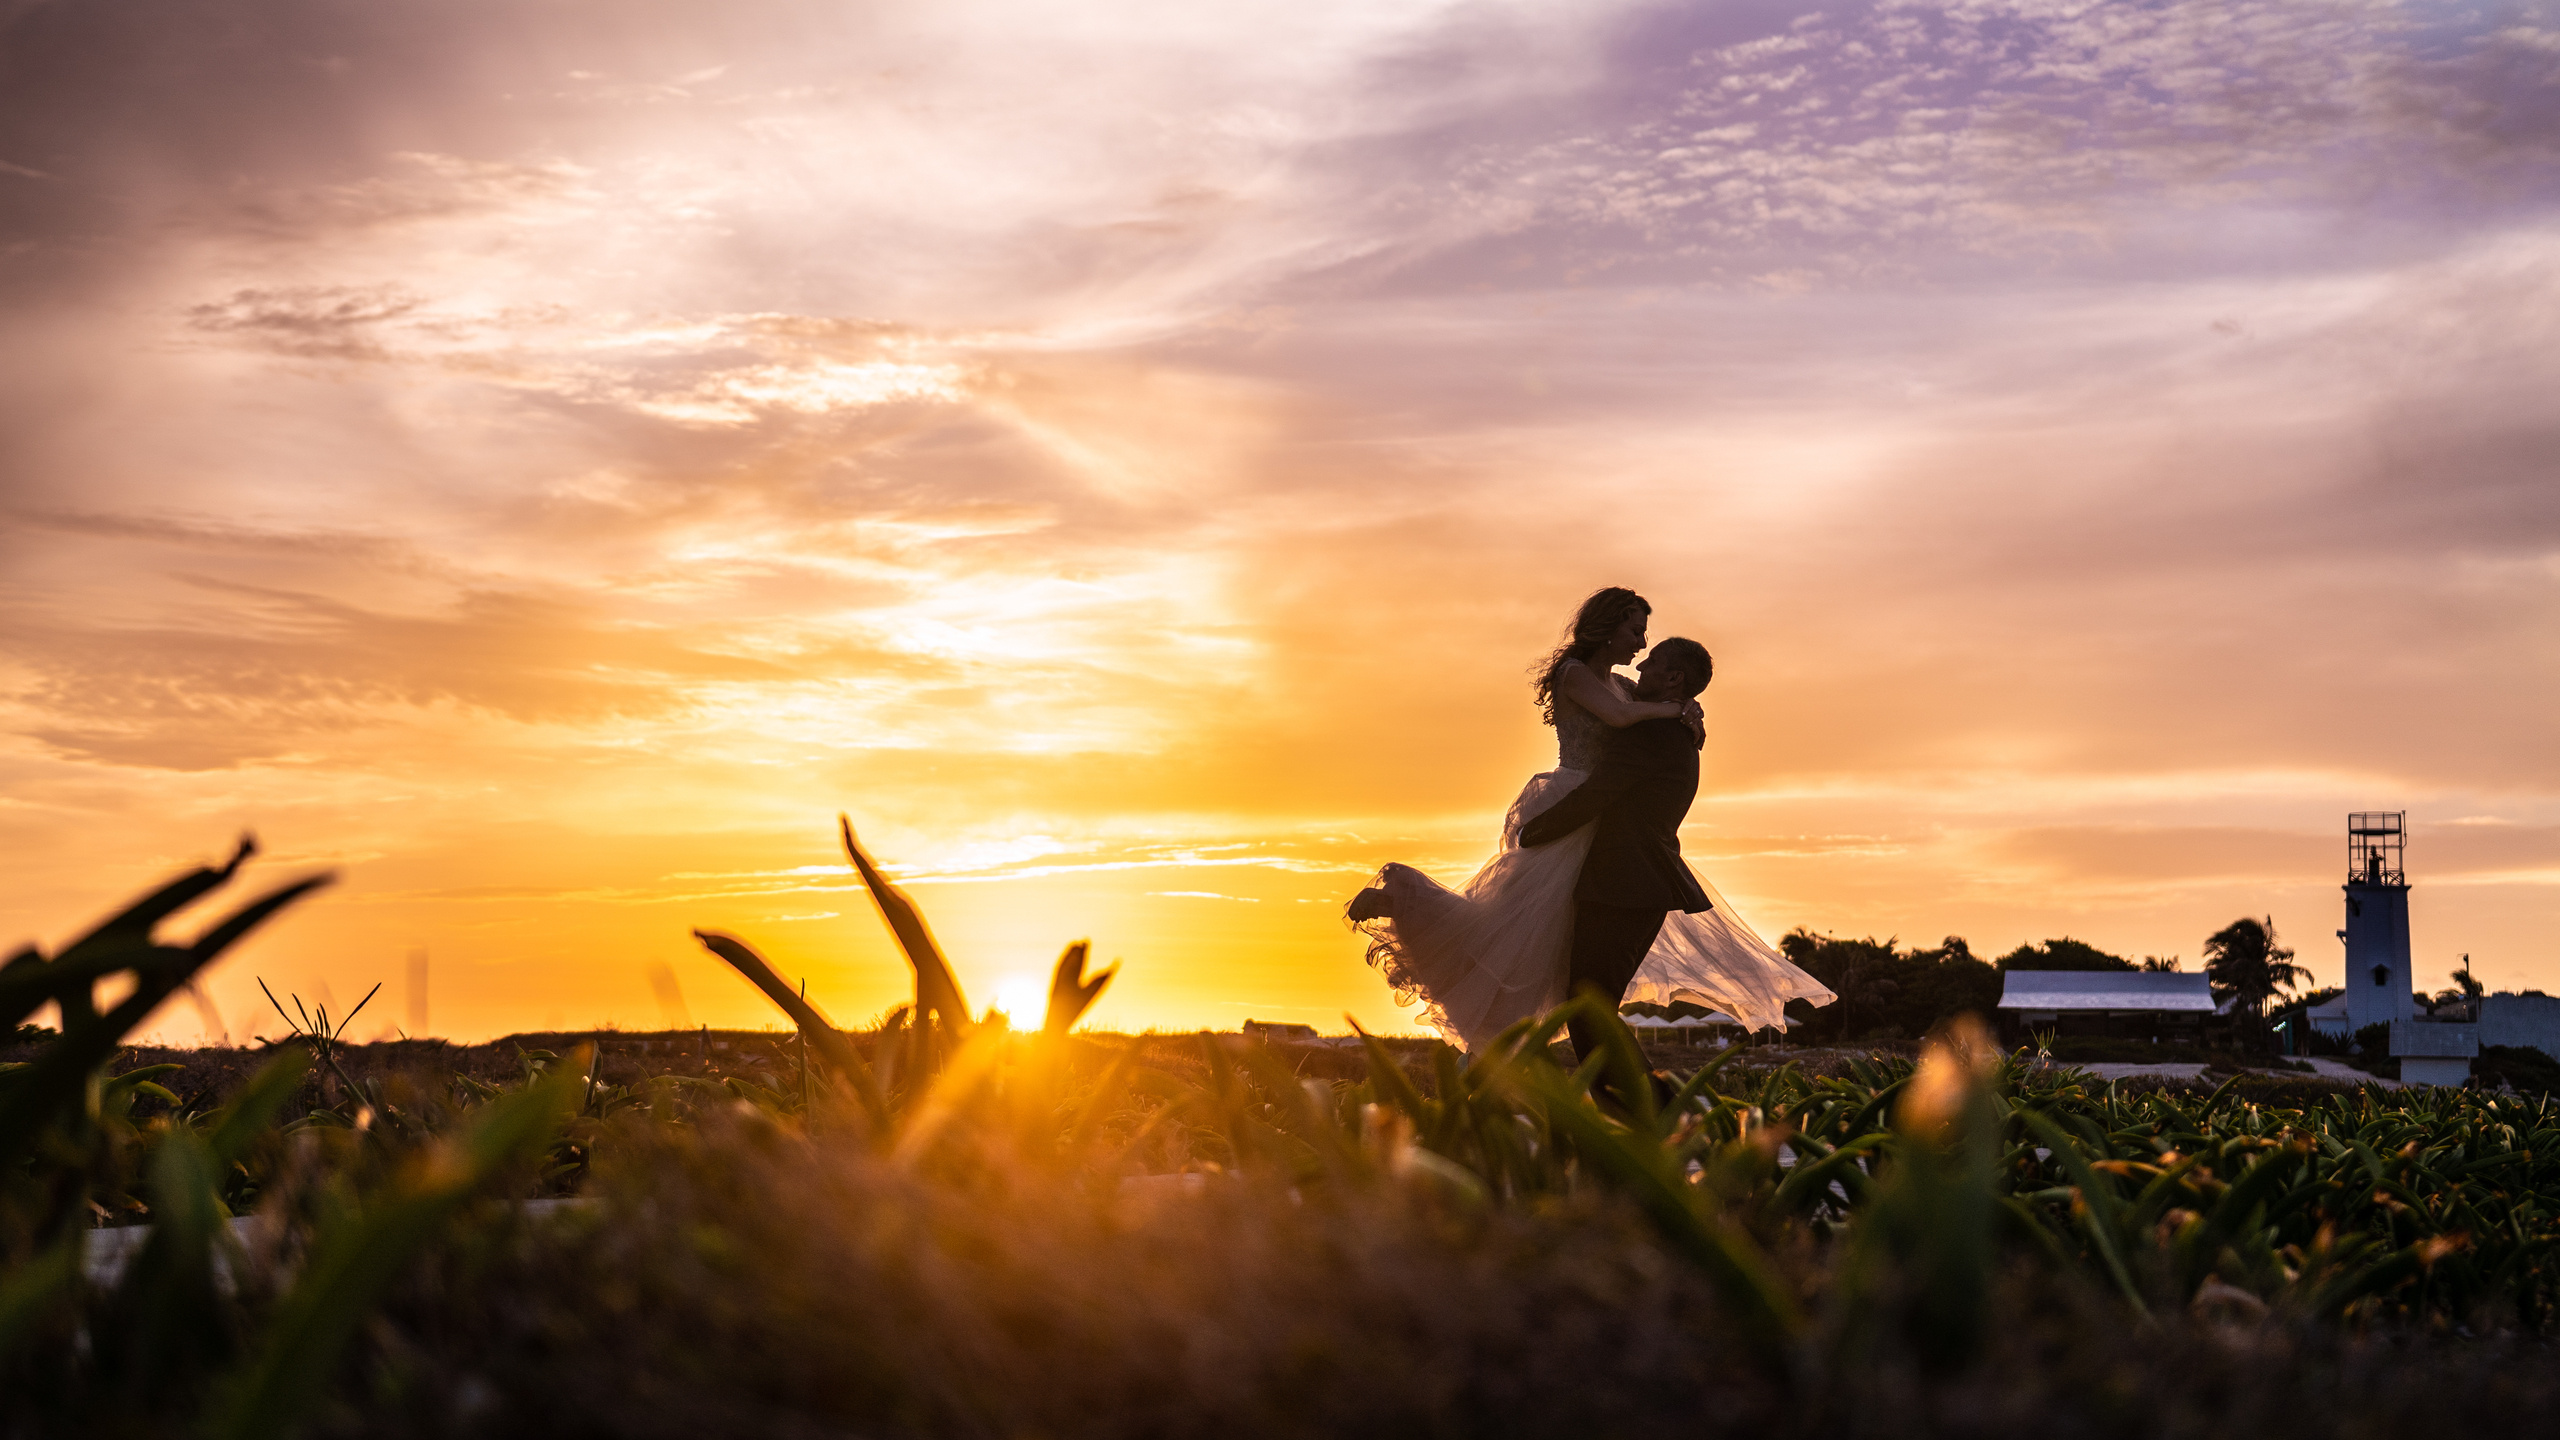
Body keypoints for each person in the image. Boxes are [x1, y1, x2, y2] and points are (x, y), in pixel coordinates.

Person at [1345, 588, 1833, 1054]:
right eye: (1636, 630)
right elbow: (1621, 719)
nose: (1641, 644)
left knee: (1542, 940)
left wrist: (1686, 709)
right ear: (1607, 628)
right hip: (1573, 799)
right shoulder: (1576, 674)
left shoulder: (1621, 683)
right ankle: (1402, 901)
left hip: (1602, 814)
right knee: (1506, 924)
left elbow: (1641, 712)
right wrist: (1675, 707)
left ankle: (1540, 1055)